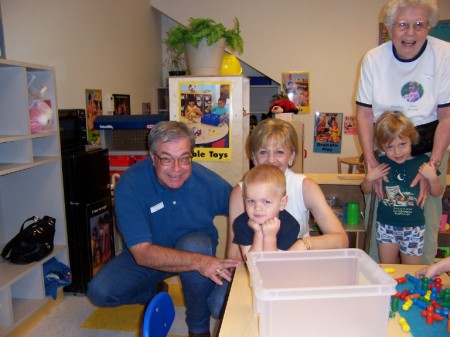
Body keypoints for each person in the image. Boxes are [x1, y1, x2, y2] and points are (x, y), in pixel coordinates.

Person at [86, 121, 240, 337]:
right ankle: (152, 291)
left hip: (193, 247)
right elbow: (142, 253)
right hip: (149, 254)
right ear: (152, 157)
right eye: (167, 159)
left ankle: (198, 328)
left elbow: (241, 205)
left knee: (196, 245)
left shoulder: (207, 181)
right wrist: (201, 262)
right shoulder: (130, 184)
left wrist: (245, 251)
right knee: (99, 292)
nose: (176, 169)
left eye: (184, 158)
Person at [355, 0, 450, 264]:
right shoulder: (374, 59)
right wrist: (373, 164)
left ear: (429, 26)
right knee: (380, 226)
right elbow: (363, 114)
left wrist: (431, 168)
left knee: (424, 227)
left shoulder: (445, 54)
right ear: (389, 28)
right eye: (403, 25)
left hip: (429, 149)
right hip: (383, 149)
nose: (411, 32)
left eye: (420, 25)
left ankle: (420, 289)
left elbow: (447, 117)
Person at [228, 118, 349, 261]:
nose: (271, 160)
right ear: (254, 157)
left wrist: (304, 244)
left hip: (298, 267)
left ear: (291, 156)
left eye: (279, 152)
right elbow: (234, 255)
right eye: (263, 152)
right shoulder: (241, 192)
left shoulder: (305, 187)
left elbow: (342, 241)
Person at [361, 111, 443, 264]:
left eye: (402, 144)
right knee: (387, 270)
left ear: (411, 140)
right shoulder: (380, 162)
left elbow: (437, 193)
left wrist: (432, 177)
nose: (397, 152)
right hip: (386, 226)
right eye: (390, 147)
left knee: (411, 272)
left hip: (414, 228)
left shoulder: (424, 161)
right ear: (382, 147)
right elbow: (366, 190)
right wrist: (369, 179)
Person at [233, 164, 301, 258]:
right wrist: (259, 233)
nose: (257, 208)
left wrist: (270, 237)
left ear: (282, 203)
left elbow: (274, 265)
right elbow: (251, 262)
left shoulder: (291, 225)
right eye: (251, 201)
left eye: (266, 201)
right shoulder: (241, 223)